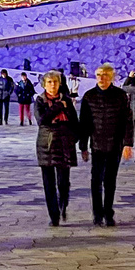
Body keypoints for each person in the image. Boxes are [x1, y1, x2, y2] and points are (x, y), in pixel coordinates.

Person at [77, 65, 131, 226]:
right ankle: (97, 213)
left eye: (105, 75)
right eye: (99, 75)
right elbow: (84, 123)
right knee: (96, 180)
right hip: (97, 145)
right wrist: (83, 147)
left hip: (115, 144)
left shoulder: (121, 96)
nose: (102, 78)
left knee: (110, 181)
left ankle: (108, 212)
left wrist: (128, 144)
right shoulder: (89, 96)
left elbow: (128, 121)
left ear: (112, 77)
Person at [33, 71, 79, 226]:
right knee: (48, 182)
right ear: (45, 84)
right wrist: (59, 107)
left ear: (60, 84)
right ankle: (53, 215)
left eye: (55, 82)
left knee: (63, 182)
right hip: (47, 144)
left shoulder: (66, 99)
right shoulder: (40, 100)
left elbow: (74, 121)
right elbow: (42, 120)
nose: (53, 85)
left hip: (64, 144)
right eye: (50, 82)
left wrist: (74, 138)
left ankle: (62, 205)